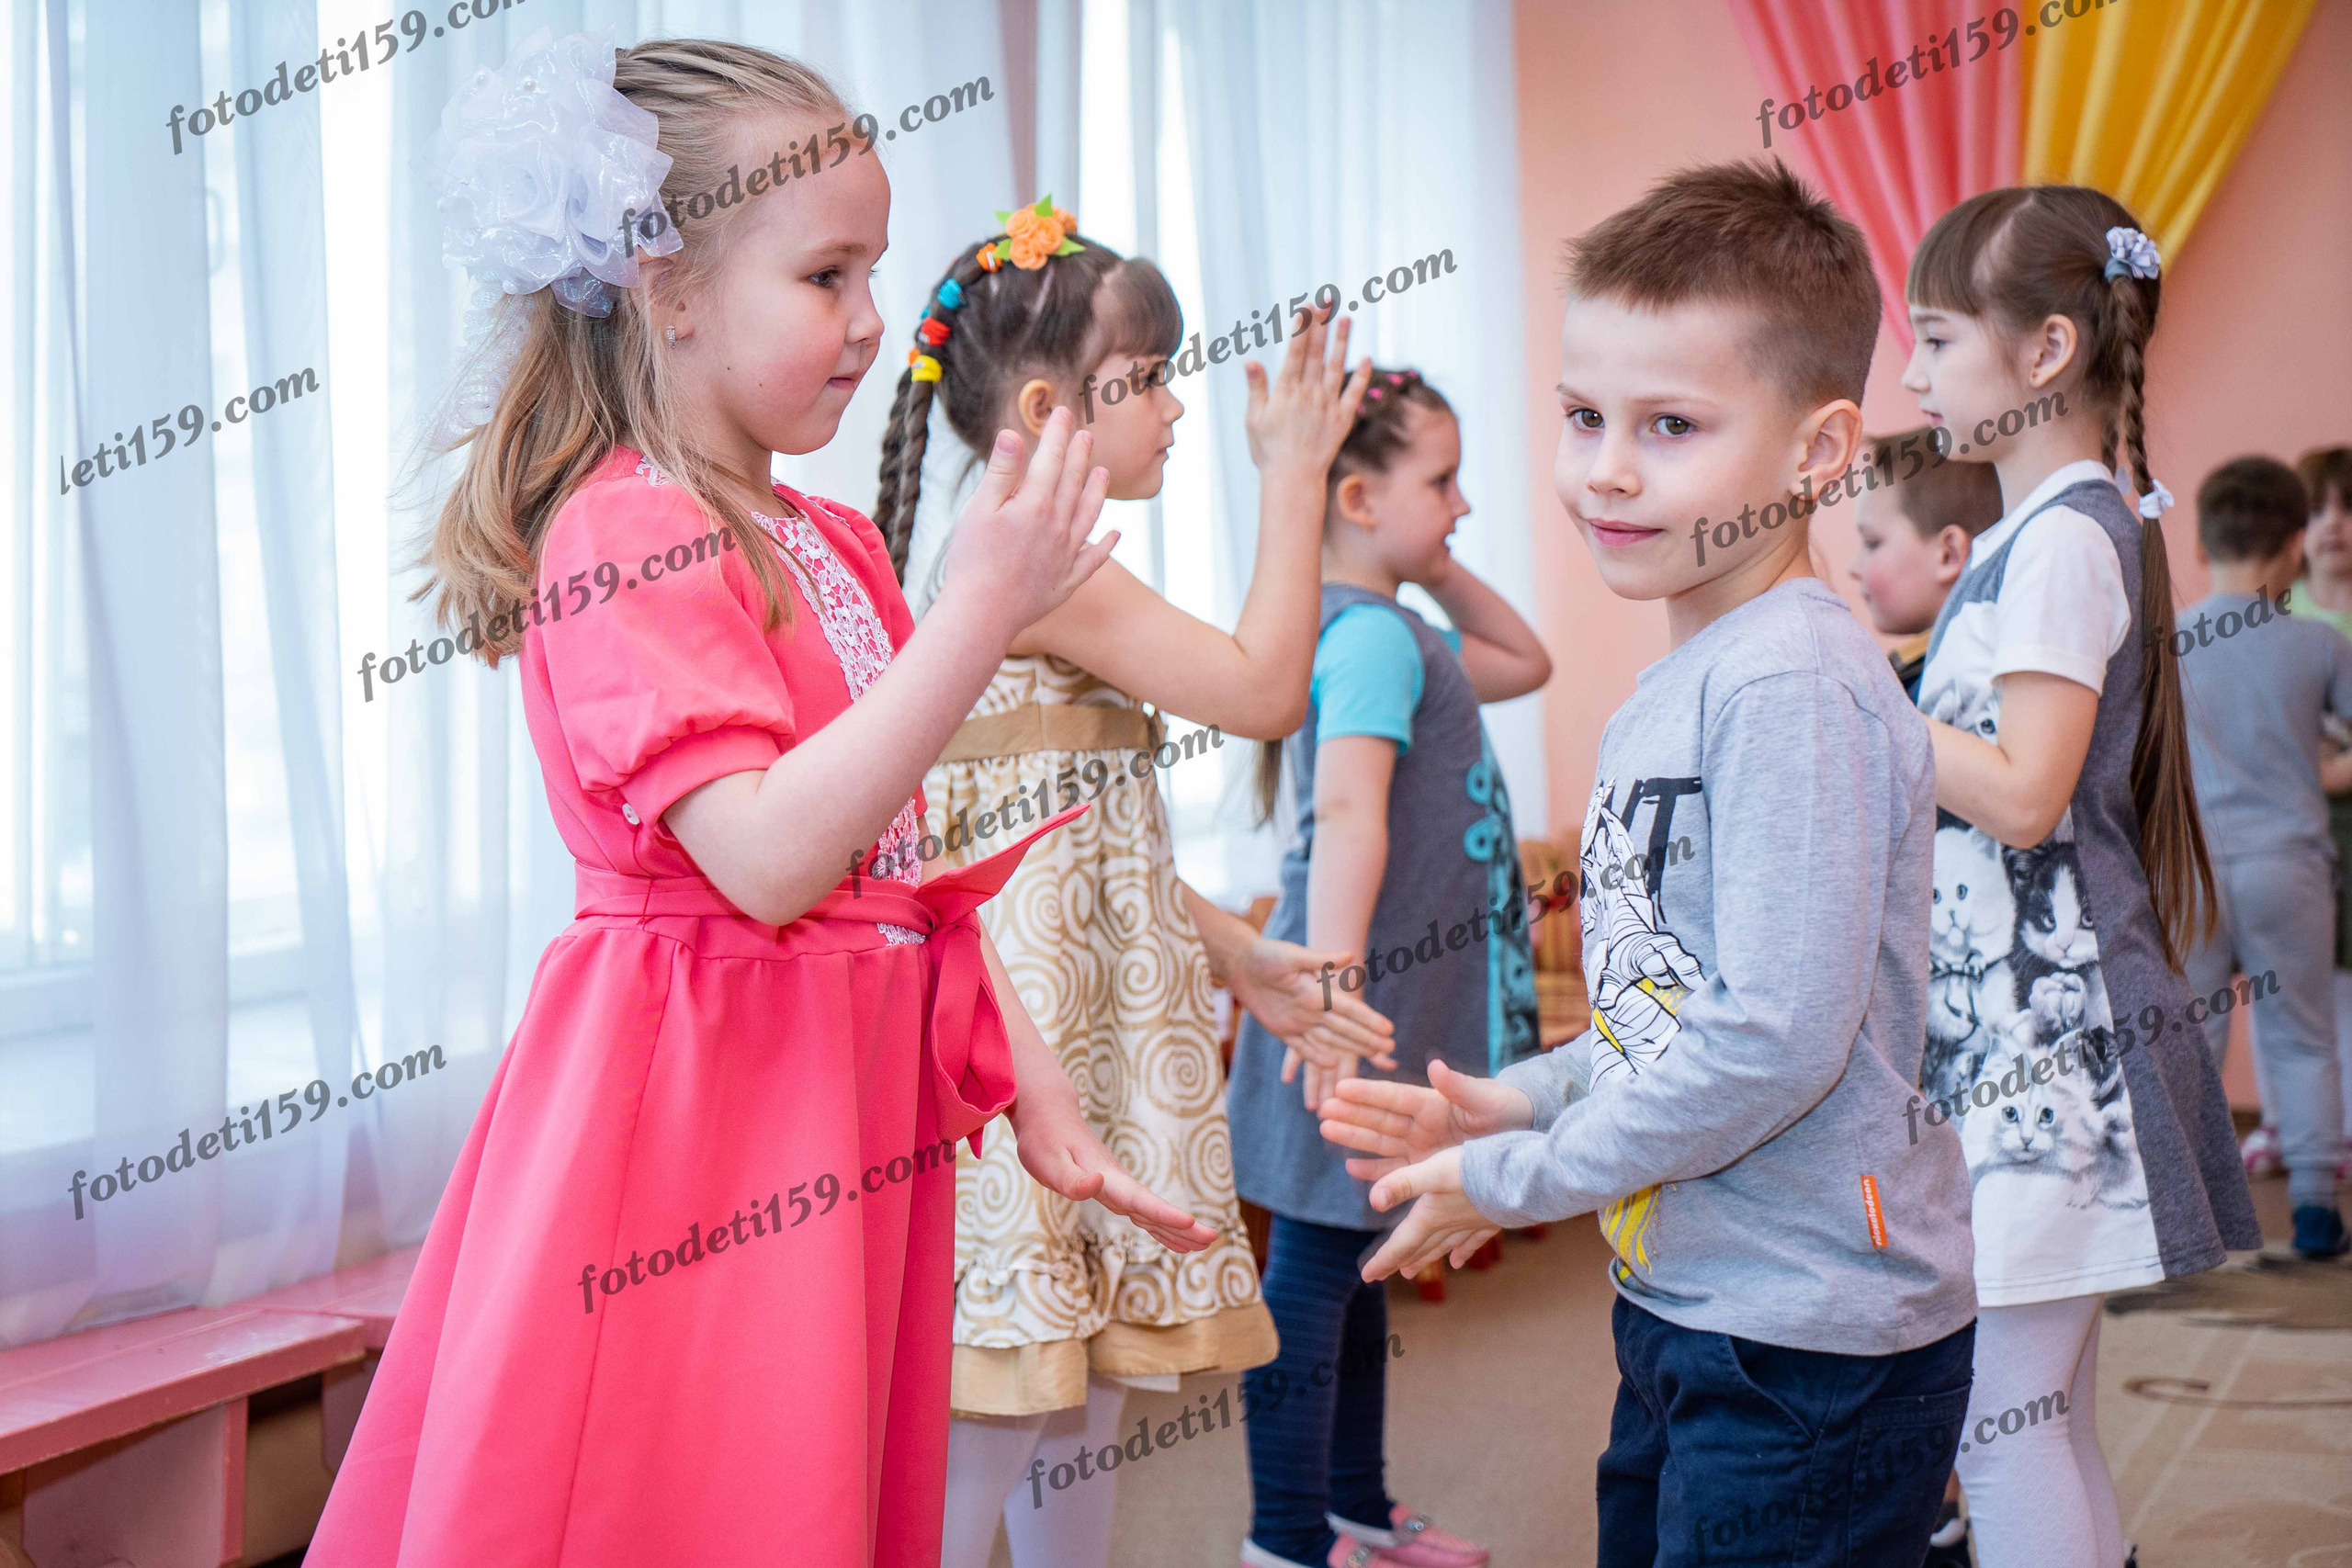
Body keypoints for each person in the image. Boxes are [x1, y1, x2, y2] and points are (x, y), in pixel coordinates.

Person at [307, 35, 1215, 1568]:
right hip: (694, 1123)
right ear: (668, 289)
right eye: (827, 278)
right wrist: (978, 619)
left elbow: (898, 869)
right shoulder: (622, 536)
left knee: (806, 1484)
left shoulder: (838, 542)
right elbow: (777, 858)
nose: (873, 324)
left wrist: (1038, 1093)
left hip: (835, 1107)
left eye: (872, 274)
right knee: (687, 1478)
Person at [1323, 160, 1977, 1568]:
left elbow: (1771, 1039)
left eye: (1670, 424)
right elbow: (1669, 1003)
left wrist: (1518, 1174)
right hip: (1695, 1291)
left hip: (1810, 1336)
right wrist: (1515, 1095)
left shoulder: (1792, 681)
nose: (1606, 466)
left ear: (1818, 452)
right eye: (1582, 416)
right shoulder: (1690, 676)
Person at [871, 218, 1391, 1568]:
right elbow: (1271, 689)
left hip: (1079, 1026)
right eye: (1147, 376)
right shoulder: (1042, 568)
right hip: (1027, 1046)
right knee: (1004, 1399)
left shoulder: (1026, 560)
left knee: (1075, 1395)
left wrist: (1231, 951)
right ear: (1049, 408)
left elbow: (1073, 829)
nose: (1175, 405)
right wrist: (1293, 486)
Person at [1898, 186, 2259, 1568]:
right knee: (2039, 1417)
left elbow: (2030, 791)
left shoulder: (2057, 538)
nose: (1914, 374)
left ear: (2045, 350)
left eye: (1936, 338)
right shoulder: (2040, 531)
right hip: (2034, 1036)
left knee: (2007, 1423)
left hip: (2058, 1054)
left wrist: (1866, 705)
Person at [1224, 367, 1549, 1568]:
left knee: (1357, 1264)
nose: (1463, 504)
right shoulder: (1365, 640)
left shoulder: (1398, 630)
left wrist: (1425, 548)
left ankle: (1352, 1506)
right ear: (1358, 493)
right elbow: (1351, 815)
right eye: (1442, 480)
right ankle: (1284, 1541)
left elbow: (1527, 657)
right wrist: (1337, 990)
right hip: (1348, 1006)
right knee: (1314, 1272)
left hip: (1381, 1005)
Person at [2176, 457, 2352, 1258]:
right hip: (2290, 868)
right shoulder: (2318, 642)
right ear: (2293, 547)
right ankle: (2315, 1206)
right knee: (2304, 1036)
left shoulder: (2162, 644)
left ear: (2202, 543)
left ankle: (2190, 1212)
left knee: (2191, 1040)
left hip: (2195, 874)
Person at [2290, 445, 2352, 1180]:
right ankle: (2296, 1126)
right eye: (2316, 509)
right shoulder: (2282, 615)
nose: (2334, 524)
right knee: (2296, 982)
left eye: (2348, 506)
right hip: (2290, 829)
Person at [1849, 425, 2006, 698]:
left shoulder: (1957, 688)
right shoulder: (1913, 668)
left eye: (1873, 543)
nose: (1853, 568)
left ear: (1949, 554)